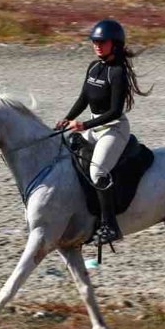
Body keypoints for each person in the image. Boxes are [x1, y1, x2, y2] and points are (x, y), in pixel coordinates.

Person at [56, 19, 149, 245]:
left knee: (98, 173)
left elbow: (115, 112)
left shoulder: (117, 73)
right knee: (65, 150)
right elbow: (84, 98)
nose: (97, 45)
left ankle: (110, 226)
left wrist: (84, 126)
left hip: (113, 128)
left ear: (114, 44)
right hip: (94, 125)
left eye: (102, 42)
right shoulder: (94, 67)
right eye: (94, 41)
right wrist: (68, 118)